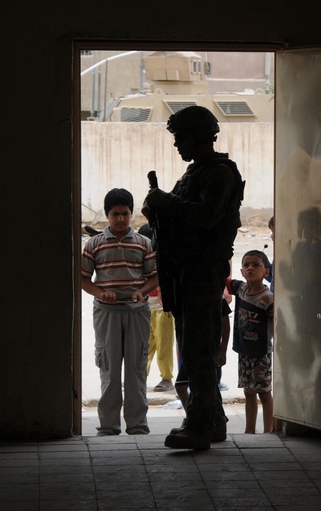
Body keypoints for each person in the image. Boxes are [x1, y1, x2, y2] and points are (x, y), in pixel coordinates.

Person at [143, 105, 244, 450]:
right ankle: (213, 420)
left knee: (198, 351)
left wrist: (165, 201)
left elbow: (205, 217)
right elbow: (177, 217)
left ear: (199, 136)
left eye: (180, 137)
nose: (176, 145)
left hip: (203, 272)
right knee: (192, 345)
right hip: (187, 271)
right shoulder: (195, 173)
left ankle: (200, 423)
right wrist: (156, 208)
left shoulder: (219, 173)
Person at [81, 188, 158, 436]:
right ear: (106, 215)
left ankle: (137, 425)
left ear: (132, 214)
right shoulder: (94, 244)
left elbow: (154, 277)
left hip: (137, 312)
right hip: (106, 313)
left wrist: (141, 292)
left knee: (136, 368)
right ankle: (108, 426)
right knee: (109, 369)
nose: (121, 219)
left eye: (125, 214)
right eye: (115, 214)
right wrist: (100, 293)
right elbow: (83, 279)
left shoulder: (144, 243)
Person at [229, 249, 275, 433]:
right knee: (248, 392)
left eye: (256, 265)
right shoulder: (241, 289)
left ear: (266, 272)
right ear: (241, 271)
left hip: (261, 353)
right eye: (246, 265)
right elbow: (222, 279)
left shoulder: (268, 299)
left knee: (264, 392)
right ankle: (249, 431)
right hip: (244, 352)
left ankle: (268, 431)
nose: (250, 268)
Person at [138, 223, 176, 393]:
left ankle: (166, 378)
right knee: (144, 344)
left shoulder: (164, 259)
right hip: (145, 306)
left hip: (163, 308)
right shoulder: (140, 257)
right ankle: (140, 374)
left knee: (164, 344)